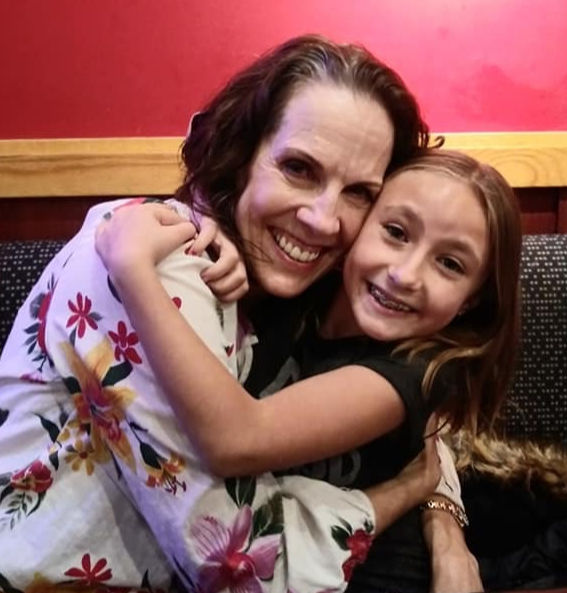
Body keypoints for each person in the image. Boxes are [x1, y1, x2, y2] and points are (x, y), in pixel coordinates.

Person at [0, 34, 459, 593]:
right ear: (242, 155)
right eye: (298, 168)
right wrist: (401, 496)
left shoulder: (293, 281)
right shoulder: (156, 262)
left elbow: (419, 399)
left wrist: (444, 515)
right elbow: (235, 565)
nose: (323, 219)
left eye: (359, 192)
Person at [95, 148, 522, 593]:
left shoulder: (415, 373)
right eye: (395, 232)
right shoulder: (298, 292)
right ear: (359, 224)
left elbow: (237, 440)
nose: (406, 274)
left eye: (450, 264)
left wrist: (132, 268)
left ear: (471, 300)